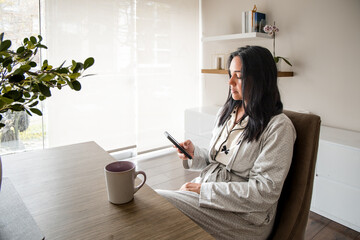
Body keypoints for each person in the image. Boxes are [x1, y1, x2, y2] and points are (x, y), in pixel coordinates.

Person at [156, 46, 296, 240]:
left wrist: (204, 190)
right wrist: (194, 153)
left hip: (245, 218)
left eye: (238, 76)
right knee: (156, 210)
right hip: (210, 192)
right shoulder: (227, 112)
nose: (230, 82)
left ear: (261, 79)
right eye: (230, 75)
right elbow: (218, 160)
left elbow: (263, 193)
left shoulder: (278, 127)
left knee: (157, 203)